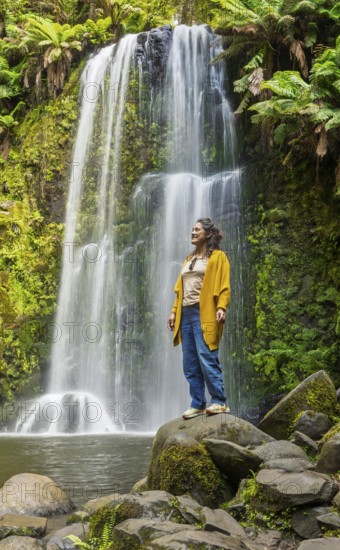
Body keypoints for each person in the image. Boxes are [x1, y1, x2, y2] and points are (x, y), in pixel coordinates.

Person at [167, 217, 231, 420]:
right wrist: (174, 312)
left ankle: (219, 401)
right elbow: (180, 290)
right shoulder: (189, 260)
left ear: (208, 234)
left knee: (207, 356)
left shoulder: (218, 257)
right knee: (190, 361)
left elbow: (224, 286)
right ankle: (197, 403)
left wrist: (221, 307)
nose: (193, 233)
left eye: (197, 230)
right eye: (192, 230)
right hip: (185, 314)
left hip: (205, 313)